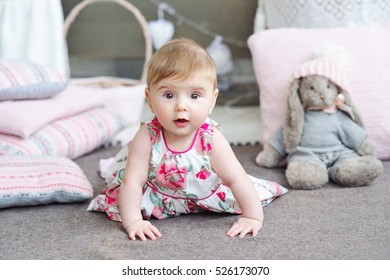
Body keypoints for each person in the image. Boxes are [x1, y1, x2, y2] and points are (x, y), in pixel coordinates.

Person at [87, 38, 287, 241]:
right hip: (158, 194)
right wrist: (134, 222)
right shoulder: (147, 136)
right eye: (168, 95)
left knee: (248, 191)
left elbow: (237, 178)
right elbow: (133, 183)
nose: (181, 106)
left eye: (194, 96)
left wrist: (252, 217)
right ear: (149, 99)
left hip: (204, 192)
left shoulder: (211, 139)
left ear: (212, 101)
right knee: (124, 191)